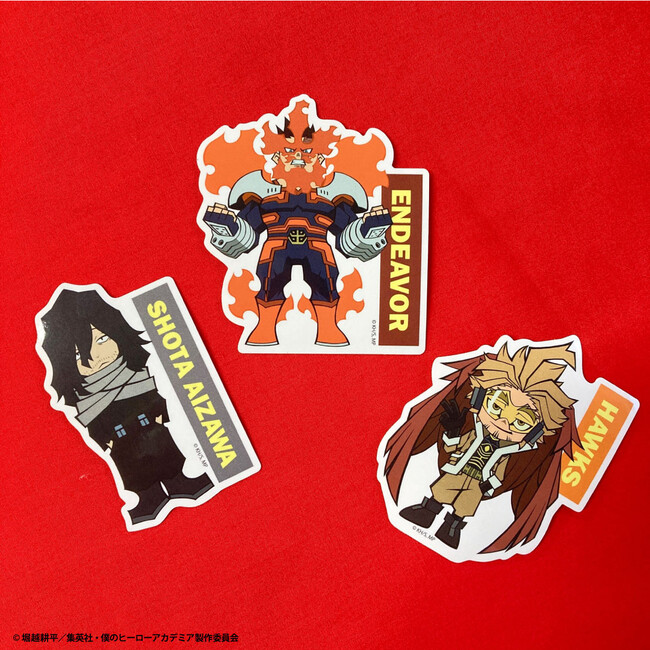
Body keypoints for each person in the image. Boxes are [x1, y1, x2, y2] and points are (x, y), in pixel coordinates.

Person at [384, 343, 580, 552]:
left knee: (465, 506)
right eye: (496, 406)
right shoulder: (475, 432)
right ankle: (426, 511)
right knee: (442, 492)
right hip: (457, 472)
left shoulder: (507, 452)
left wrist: (486, 487)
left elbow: (500, 473)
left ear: (535, 432)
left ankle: (451, 528)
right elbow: (453, 447)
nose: (503, 422)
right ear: (479, 398)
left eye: (520, 421)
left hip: (478, 484)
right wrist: (452, 432)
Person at [41, 289, 213, 525]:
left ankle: (179, 482)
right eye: (80, 354)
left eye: (102, 340)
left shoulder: (136, 376)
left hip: (152, 428)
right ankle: (148, 499)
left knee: (167, 454)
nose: (97, 356)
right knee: (134, 472)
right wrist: (107, 441)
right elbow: (95, 426)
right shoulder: (88, 403)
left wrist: (160, 416)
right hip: (122, 444)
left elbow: (154, 397)